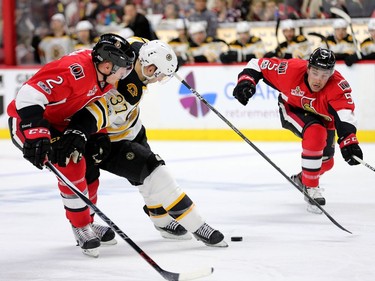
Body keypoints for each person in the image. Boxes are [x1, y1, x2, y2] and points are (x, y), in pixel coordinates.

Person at [64, 37, 228, 250]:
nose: (158, 80)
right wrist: (77, 132)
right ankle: (198, 226)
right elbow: (95, 115)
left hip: (131, 128)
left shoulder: (136, 49)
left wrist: (170, 61)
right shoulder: (128, 89)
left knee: (145, 177)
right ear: (149, 68)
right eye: (158, 74)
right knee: (153, 171)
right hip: (109, 140)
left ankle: (161, 221)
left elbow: (142, 42)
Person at [7, 33, 135, 257]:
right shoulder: (74, 70)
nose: (123, 75)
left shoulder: (103, 76)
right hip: (31, 121)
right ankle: (80, 226)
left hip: (63, 123)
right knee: (70, 164)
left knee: (91, 167)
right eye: (122, 70)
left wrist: (98, 134)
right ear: (107, 65)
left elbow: (89, 105)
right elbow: (27, 96)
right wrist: (37, 134)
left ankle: (87, 221)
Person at [232, 47, 363, 213]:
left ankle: (303, 179)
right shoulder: (290, 70)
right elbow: (256, 64)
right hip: (292, 108)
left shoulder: (338, 86)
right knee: (316, 132)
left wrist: (349, 140)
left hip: (324, 118)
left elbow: (344, 114)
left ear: (331, 74)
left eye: (324, 75)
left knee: (327, 162)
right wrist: (246, 82)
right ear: (308, 68)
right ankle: (311, 188)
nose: (318, 79)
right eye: (315, 72)